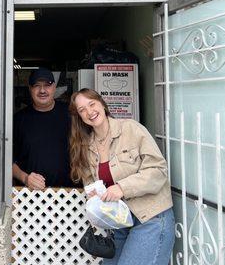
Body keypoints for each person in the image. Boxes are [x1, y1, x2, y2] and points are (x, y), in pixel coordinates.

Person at [69, 88, 174, 265]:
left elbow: (158, 170)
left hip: (151, 219)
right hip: (120, 224)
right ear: (79, 117)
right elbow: (91, 183)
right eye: (82, 110)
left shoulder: (131, 129)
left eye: (92, 104)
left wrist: (122, 188)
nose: (89, 112)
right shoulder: (87, 147)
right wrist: (95, 194)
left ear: (102, 103)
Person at [12, 68, 75, 189]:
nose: (42, 90)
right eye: (37, 85)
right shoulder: (19, 119)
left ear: (54, 87)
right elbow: (7, 160)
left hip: (70, 192)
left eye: (47, 85)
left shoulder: (71, 114)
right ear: (30, 89)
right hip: (29, 194)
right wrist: (25, 178)